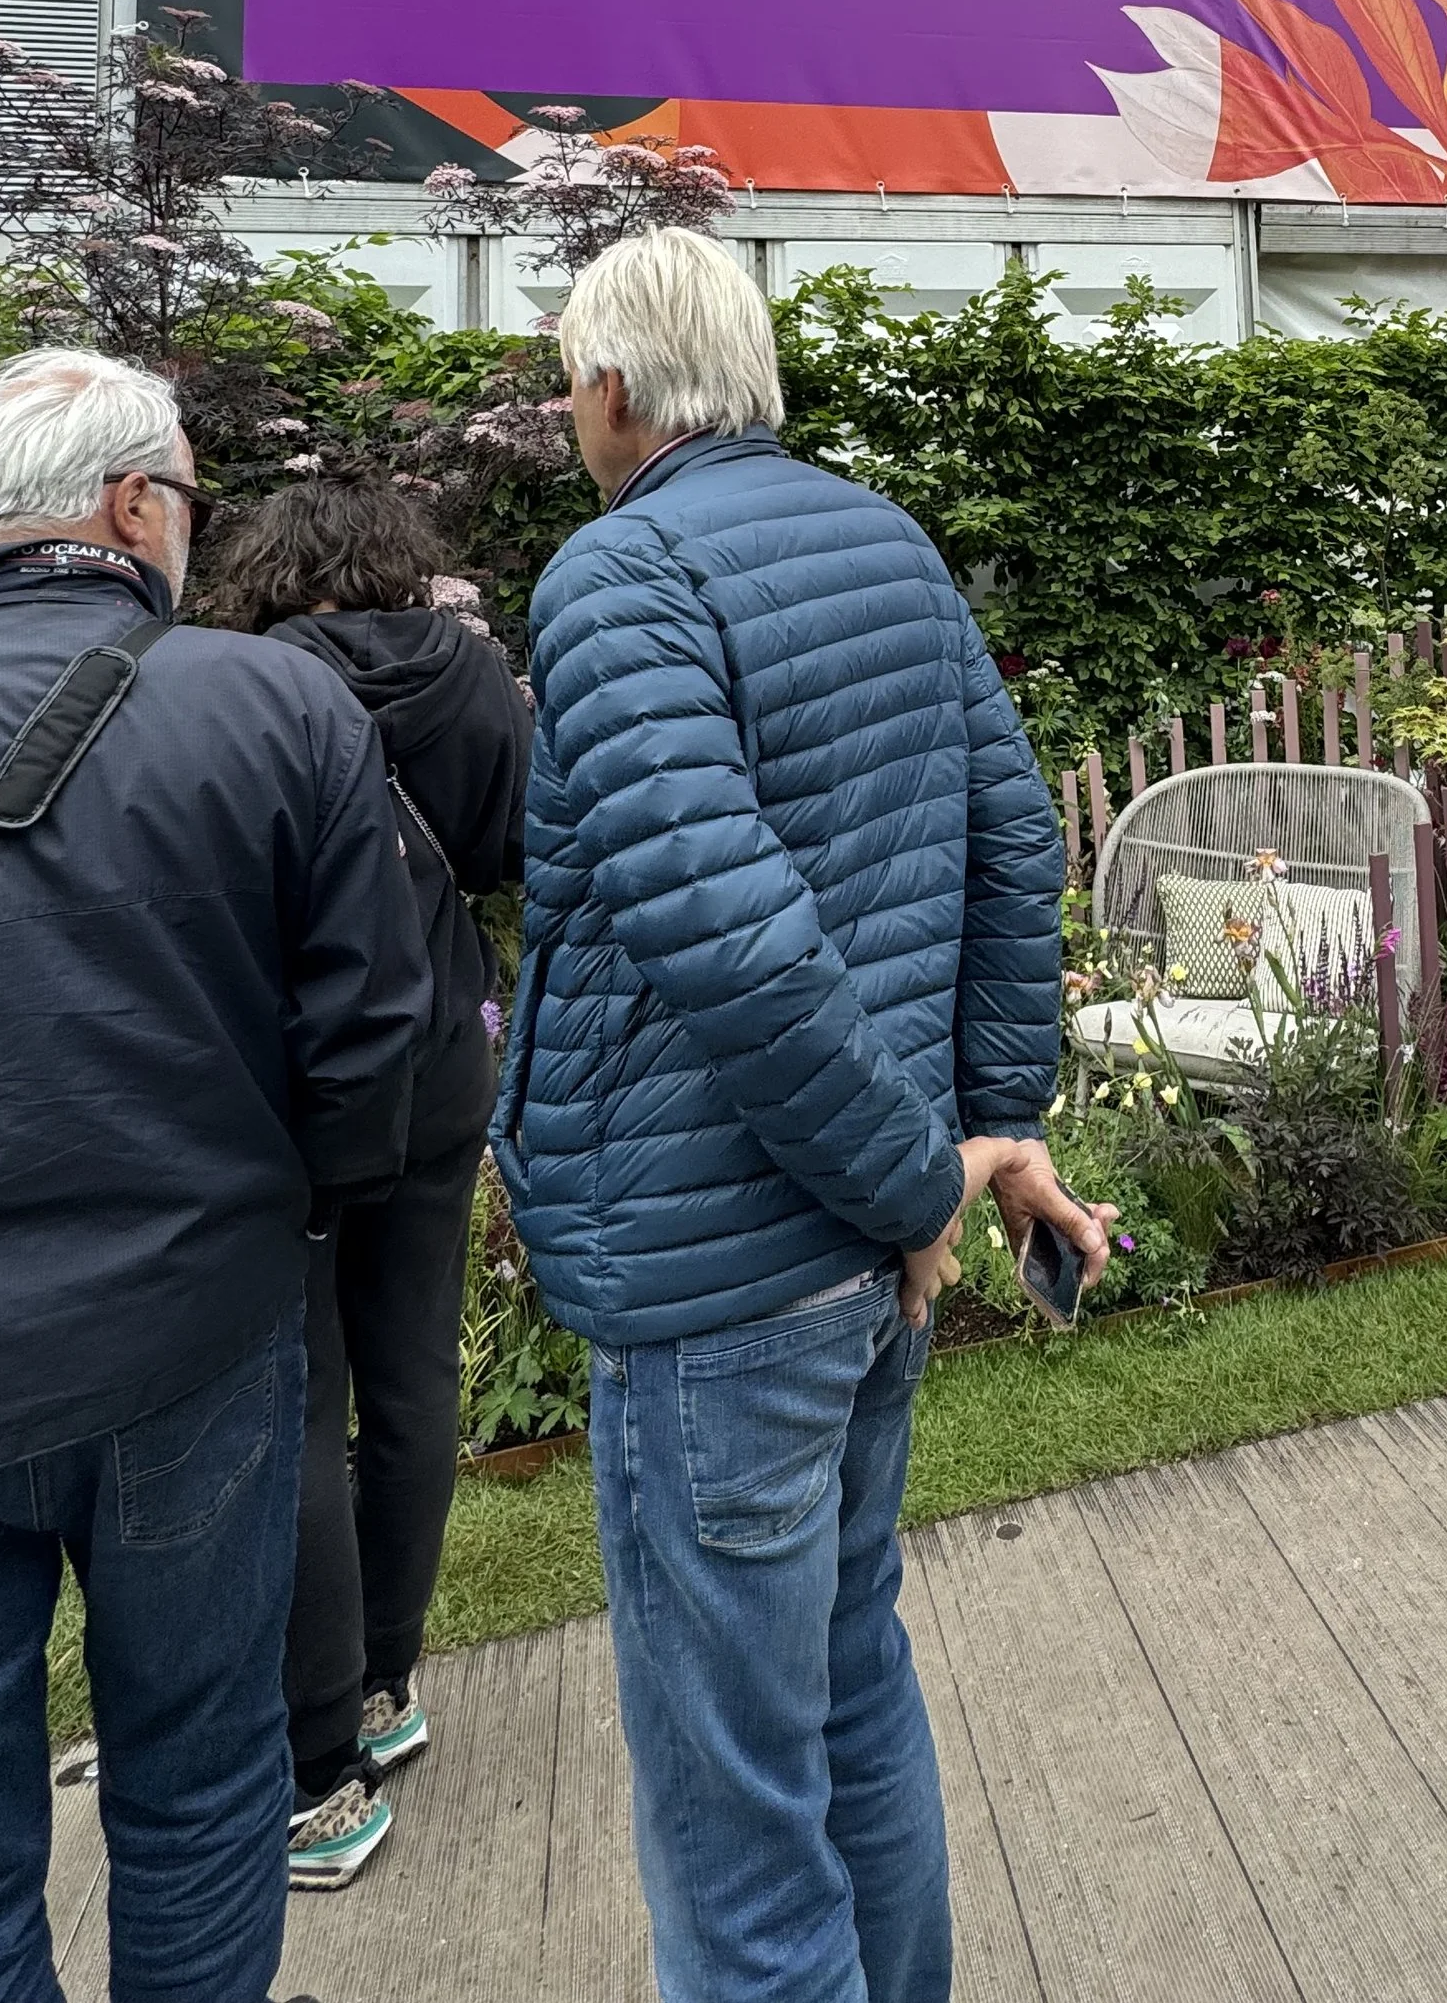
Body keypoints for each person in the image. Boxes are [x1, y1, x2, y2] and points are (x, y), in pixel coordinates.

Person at [501, 229, 1107, 2003]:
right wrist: (990, 1125)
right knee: (848, 1683)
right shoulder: (885, 538)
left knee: (733, 1802)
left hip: (730, 1278)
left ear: (616, 388)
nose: (563, 406)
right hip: (857, 1256)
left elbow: (730, 934)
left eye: (566, 377)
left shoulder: (623, 575)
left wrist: (930, 1170)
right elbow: (1018, 839)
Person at [0, 351, 428, 2003]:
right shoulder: (270, 703)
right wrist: (295, 1209)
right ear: (132, 506)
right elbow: (372, 1037)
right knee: (199, 1777)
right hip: (191, 1341)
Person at [197, 478, 534, 1885]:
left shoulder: (234, 684)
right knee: (412, 1381)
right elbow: (521, 852)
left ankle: (317, 1764)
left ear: (265, 569)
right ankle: (384, 1687)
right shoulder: (468, 674)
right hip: (442, 1060)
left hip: (299, 1076)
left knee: (300, 1404)